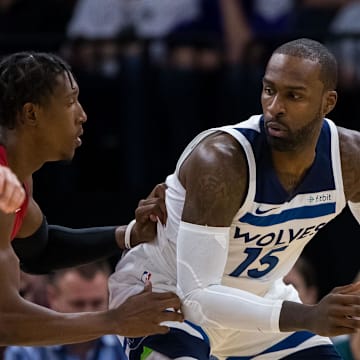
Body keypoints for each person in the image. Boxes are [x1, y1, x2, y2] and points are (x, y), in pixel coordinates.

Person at [108, 37, 360, 359]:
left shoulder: (350, 160)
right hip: (167, 296)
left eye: (293, 95)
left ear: (328, 102)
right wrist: (309, 316)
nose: (274, 107)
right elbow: (198, 295)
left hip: (256, 303)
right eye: (269, 90)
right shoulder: (221, 162)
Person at [0, 51, 183, 346]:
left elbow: (39, 250)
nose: (82, 114)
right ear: (31, 113)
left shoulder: (17, 178)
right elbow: (5, 322)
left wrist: (128, 235)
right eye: (70, 101)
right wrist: (114, 320)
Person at [5, 261, 127, 360]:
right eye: (78, 304)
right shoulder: (25, 350)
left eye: (97, 303)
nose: (89, 312)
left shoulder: (127, 344)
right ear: (52, 297)